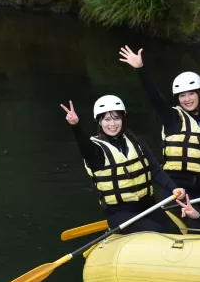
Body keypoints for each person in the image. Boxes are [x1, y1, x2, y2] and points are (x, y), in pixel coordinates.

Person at [118, 46, 200, 214]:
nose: (186, 99)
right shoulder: (172, 118)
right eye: (182, 95)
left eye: (191, 94)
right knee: (199, 220)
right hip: (177, 191)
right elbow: (154, 97)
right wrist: (141, 69)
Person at [60, 96, 184, 234]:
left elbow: (155, 170)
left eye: (116, 118)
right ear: (100, 122)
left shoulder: (135, 141)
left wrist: (173, 188)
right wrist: (76, 126)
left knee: (174, 231)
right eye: (107, 119)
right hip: (119, 213)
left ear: (122, 119)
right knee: (156, 231)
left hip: (148, 206)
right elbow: (84, 147)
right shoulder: (96, 150)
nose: (112, 124)